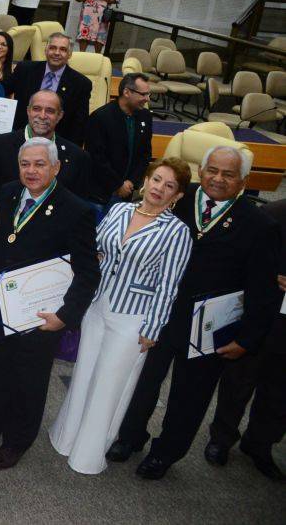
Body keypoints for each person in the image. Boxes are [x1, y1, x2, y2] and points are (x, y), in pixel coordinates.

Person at [109, 146, 279, 479]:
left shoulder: (259, 225)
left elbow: (263, 290)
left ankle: (165, 453)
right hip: (160, 315)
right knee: (143, 381)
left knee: (190, 396)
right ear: (201, 171)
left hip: (210, 328)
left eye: (228, 174)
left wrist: (248, 337)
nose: (217, 178)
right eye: (212, 170)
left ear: (243, 180)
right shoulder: (178, 202)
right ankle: (129, 436)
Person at [0, 138, 100, 470]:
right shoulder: (5, 193)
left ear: (55, 167)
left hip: (41, 315)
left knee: (30, 380)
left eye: (39, 164)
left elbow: (88, 272)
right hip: (1, 306)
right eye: (25, 164)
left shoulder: (77, 210)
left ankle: (17, 440)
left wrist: (65, 317)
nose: (31, 171)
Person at [50, 159, 192, 474]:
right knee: (85, 373)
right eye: (156, 179)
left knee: (110, 385)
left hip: (134, 318)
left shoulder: (177, 232)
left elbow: (169, 287)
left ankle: (87, 455)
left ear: (178, 196)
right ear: (146, 179)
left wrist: (153, 328)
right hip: (98, 306)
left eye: (169, 186)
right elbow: (95, 248)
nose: (159, 189)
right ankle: (66, 438)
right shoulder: (119, 211)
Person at [205, 198, 286, 481]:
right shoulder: (273, 214)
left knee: (279, 389)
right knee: (240, 379)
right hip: (264, 315)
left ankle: (260, 444)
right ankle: (222, 437)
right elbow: (245, 262)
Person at [0, 90, 89, 200]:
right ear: (28, 111)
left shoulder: (78, 157)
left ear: (59, 116)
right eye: (36, 109)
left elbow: (79, 208)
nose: (42, 116)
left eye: (50, 111)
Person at [7, 32, 91, 146]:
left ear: (69, 54)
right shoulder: (24, 70)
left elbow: (79, 126)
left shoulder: (81, 84)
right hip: (19, 139)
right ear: (46, 50)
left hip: (55, 145)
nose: (57, 53)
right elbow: (1, 91)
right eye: (52, 48)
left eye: (62, 49)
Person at [84, 73, 154, 206]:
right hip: (99, 194)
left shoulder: (145, 116)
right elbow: (96, 158)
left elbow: (145, 154)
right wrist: (118, 184)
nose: (147, 99)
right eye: (143, 94)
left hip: (127, 192)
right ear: (127, 92)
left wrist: (131, 182)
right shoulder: (100, 118)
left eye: (148, 94)